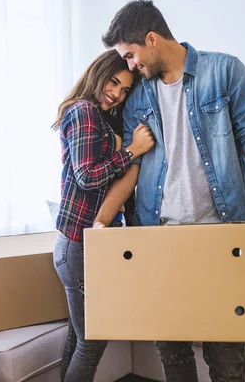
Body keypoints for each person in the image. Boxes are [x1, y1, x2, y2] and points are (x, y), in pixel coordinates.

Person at [93, 0, 245, 382]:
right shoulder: (139, 96)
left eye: (131, 55)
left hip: (224, 237)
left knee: (227, 363)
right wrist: (101, 223)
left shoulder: (224, 71)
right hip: (160, 240)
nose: (130, 66)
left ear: (151, 39)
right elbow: (133, 166)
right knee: (172, 358)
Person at [51, 49, 154, 382]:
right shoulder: (83, 111)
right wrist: (132, 151)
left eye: (124, 90)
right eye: (113, 82)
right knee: (92, 342)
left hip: (80, 244)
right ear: (98, 73)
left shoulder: (97, 115)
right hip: (78, 246)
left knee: (78, 339)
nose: (117, 93)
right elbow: (87, 176)